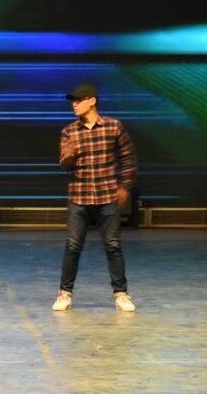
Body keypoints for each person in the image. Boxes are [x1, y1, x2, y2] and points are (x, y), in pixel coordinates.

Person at [51, 82, 138, 313]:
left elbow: (128, 159)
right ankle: (64, 293)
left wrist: (125, 186)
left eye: (78, 100)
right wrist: (68, 156)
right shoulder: (69, 131)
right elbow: (64, 165)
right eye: (72, 101)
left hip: (107, 195)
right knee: (72, 246)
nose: (74, 105)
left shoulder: (113, 126)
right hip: (79, 196)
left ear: (92, 101)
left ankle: (121, 294)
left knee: (113, 246)